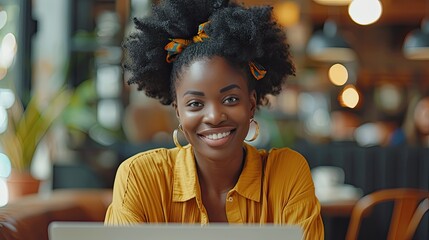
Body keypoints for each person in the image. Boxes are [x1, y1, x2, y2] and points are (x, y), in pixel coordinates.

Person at [105, 0, 324, 238]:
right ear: (178, 111)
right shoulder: (140, 177)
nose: (213, 116)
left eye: (230, 99)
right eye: (195, 104)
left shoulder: (286, 174)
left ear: (251, 104)